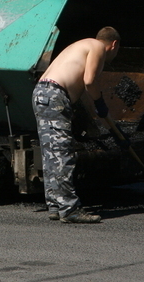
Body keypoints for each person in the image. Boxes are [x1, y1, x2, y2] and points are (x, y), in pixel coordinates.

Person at [32, 26, 121, 224]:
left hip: (41, 92)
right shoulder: (98, 47)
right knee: (63, 154)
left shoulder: (81, 44)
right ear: (114, 44)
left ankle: (55, 205)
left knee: (51, 154)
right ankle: (69, 209)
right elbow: (89, 81)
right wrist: (100, 104)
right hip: (55, 94)